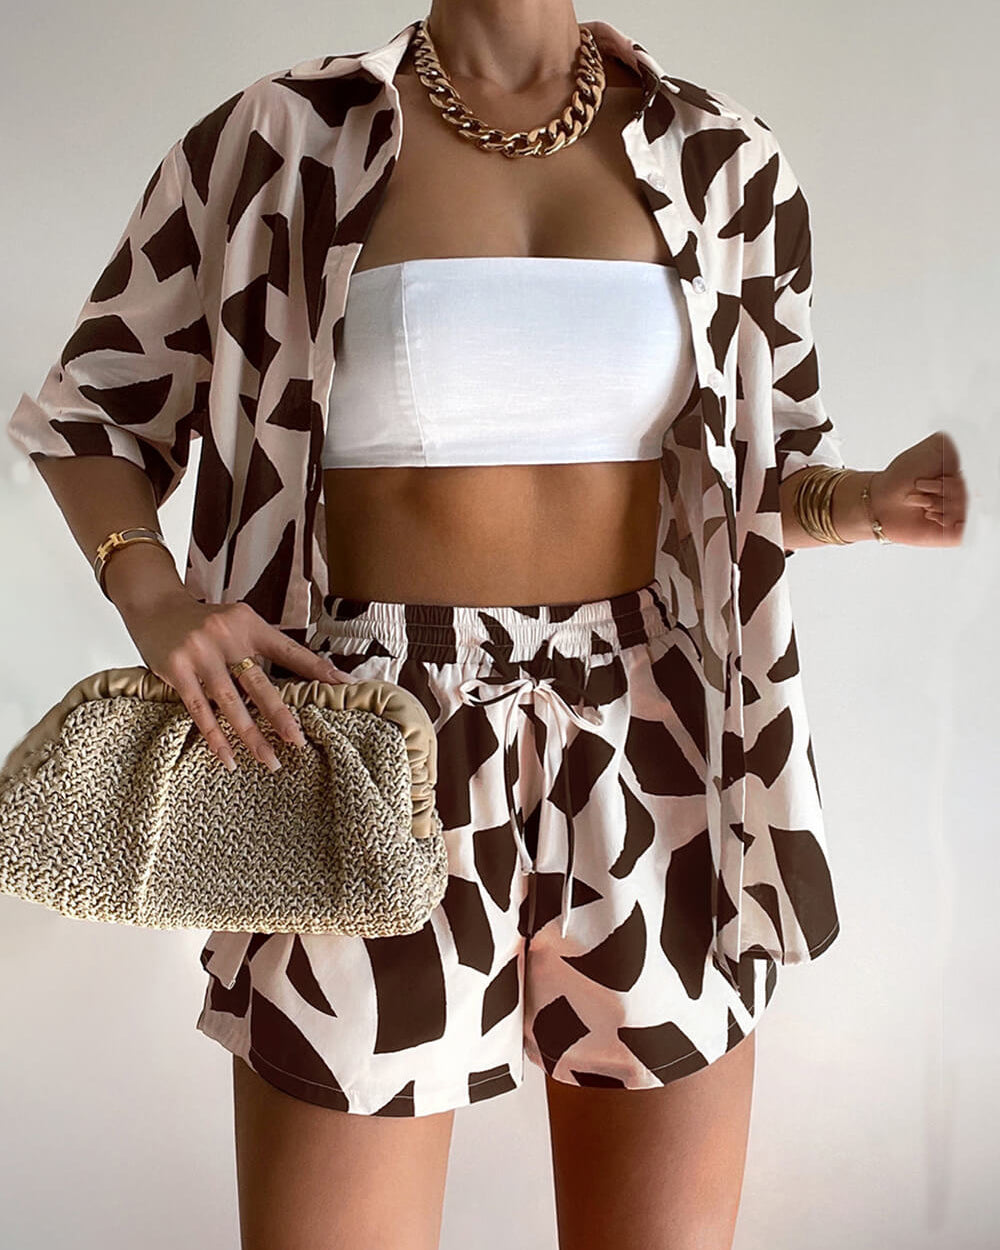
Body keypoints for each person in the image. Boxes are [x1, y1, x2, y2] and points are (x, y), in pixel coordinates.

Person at [7, 4, 966, 1248]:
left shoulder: (723, 160)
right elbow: (95, 408)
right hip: (364, 749)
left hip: (649, 749)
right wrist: (154, 596)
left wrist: (871, 502)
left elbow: (762, 465)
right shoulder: (281, 139)